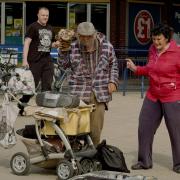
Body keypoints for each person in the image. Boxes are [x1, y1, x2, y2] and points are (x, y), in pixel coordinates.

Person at [126, 24, 180, 173]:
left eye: (159, 39)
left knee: (176, 131)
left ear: (167, 38)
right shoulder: (152, 50)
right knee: (144, 127)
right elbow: (150, 69)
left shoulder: (178, 52)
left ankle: (179, 164)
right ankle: (144, 161)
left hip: (173, 96)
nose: (156, 42)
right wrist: (136, 69)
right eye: (154, 39)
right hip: (153, 95)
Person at [58, 22, 119, 146]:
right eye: (82, 37)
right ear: (78, 36)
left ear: (95, 34)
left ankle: (92, 154)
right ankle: (74, 154)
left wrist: (113, 81)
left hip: (99, 93)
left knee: (95, 130)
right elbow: (63, 66)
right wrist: (63, 51)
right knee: (74, 128)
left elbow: (114, 64)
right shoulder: (72, 46)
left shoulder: (107, 46)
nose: (85, 40)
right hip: (78, 92)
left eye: (89, 36)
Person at [18, 7, 59, 115]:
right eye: (43, 15)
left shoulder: (50, 28)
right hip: (35, 61)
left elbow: (50, 44)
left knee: (47, 86)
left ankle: (44, 110)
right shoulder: (33, 27)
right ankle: (21, 105)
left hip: (47, 60)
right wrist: (24, 60)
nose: (45, 17)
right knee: (31, 87)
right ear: (38, 15)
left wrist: (56, 44)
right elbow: (26, 43)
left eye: (47, 15)